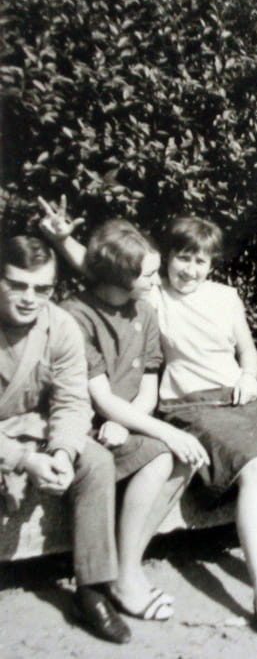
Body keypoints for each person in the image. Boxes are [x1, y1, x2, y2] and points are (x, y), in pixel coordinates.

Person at [38, 203, 257, 639]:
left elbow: (247, 351)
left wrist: (248, 377)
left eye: (201, 260)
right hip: (193, 404)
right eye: (183, 258)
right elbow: (109, 268)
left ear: (211, 263)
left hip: (244, 397)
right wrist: (63, 241)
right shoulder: (153, 294)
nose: (190, 270)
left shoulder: (225, 297)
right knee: (256, 470)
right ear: (167, 258)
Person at [61, 220, 210, 621]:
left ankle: (125, 570)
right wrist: (164, 432)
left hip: (123, 424)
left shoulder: (144, 310)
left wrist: (129, 424)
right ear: (120, 278)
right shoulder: (76, 316)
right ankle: (124, 578)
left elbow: (148, 388)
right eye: (148, 275)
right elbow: (100, 398)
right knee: (163, 452)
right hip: (82, 426)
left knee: (185, 456)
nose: (157, 281)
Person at [0, 236, 130, 643]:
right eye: (17, 285)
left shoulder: (60, 326)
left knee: (96, 461)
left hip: (33, 429)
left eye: (41, 289)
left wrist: (61, 452)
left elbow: (72, 401)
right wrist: (21, 459)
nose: (29, 298)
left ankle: (92, 590)